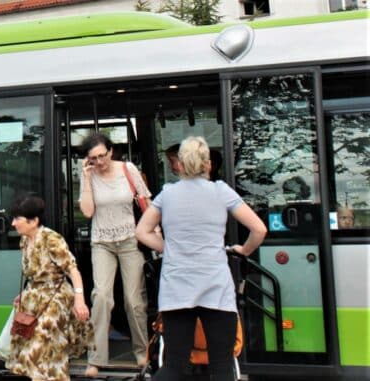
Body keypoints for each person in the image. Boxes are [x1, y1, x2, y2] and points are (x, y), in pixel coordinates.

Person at [135, 136, 267, 381]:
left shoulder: (168, 194)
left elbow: (141, 232)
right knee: (222, 366)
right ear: (208, 164)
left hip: (176, 288)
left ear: (180, 165)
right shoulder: (221, 191)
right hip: (216, 287)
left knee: (173, 366)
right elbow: (259, 229)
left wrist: (169, 248)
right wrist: (244, 250)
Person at [77, 132, 152, 376]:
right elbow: (87, 212)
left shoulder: (128, 169)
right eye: (94, 158)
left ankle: (142, 352)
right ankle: (96, 358)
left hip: (130, 239)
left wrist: (154, 232)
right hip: (102, 242)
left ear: (111, 151)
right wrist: (86, 179)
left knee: (134, 299)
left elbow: (146, 203)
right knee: (101, 297)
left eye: (103, 155)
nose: (100, 162)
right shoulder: (88, 174)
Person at [5, 195, 93, 381]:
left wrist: (79, 300)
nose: (13, 223)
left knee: (42, 346)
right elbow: (33, 275)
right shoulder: (24, 240)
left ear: (33, 221)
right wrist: (24, 293)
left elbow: (73, 271)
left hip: (55, 298)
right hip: (34, 298)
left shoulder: (51, 239)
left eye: (17, 219)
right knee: (31, 349)